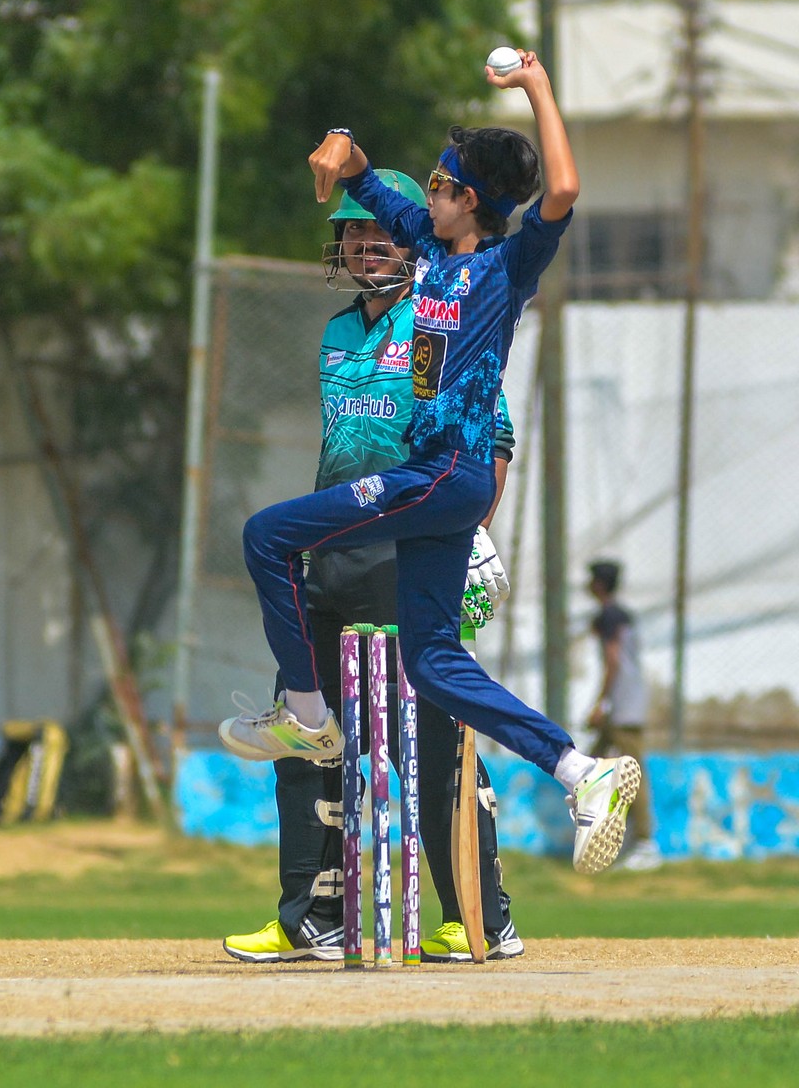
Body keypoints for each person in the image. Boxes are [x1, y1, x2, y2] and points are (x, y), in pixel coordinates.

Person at [220, 49, 641, 882]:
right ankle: (581, 771)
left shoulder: (504, 266)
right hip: (438, 481)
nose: (430, 194)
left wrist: (536, 85)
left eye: (442, 183)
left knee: (267, 536)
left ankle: (305, 714)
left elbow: (561, 189)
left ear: (468, 199)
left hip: (448, 474)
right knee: (432, 662)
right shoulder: (430, 250)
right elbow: (365, 177)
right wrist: (342, 141)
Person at [222, 171, 523, 963]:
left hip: (410, 552)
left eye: (379, 231)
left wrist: (472, 537)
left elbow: (490, 439)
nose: (365, 245)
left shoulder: (442, 318)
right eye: (353, 233)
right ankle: (310, 919)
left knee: (432, 743)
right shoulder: (335, 332)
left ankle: (478, 917)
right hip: (332, 555)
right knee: (306, 734)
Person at [586, 559, 661, 871]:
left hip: (622, 708)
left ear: (599, 584)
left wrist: (600, 704)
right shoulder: (621, 615)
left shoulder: (609, 616)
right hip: (624, 706)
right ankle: (601, 837)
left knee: (632, 772)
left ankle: (645, 843)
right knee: (590, 766)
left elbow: (613, 661)